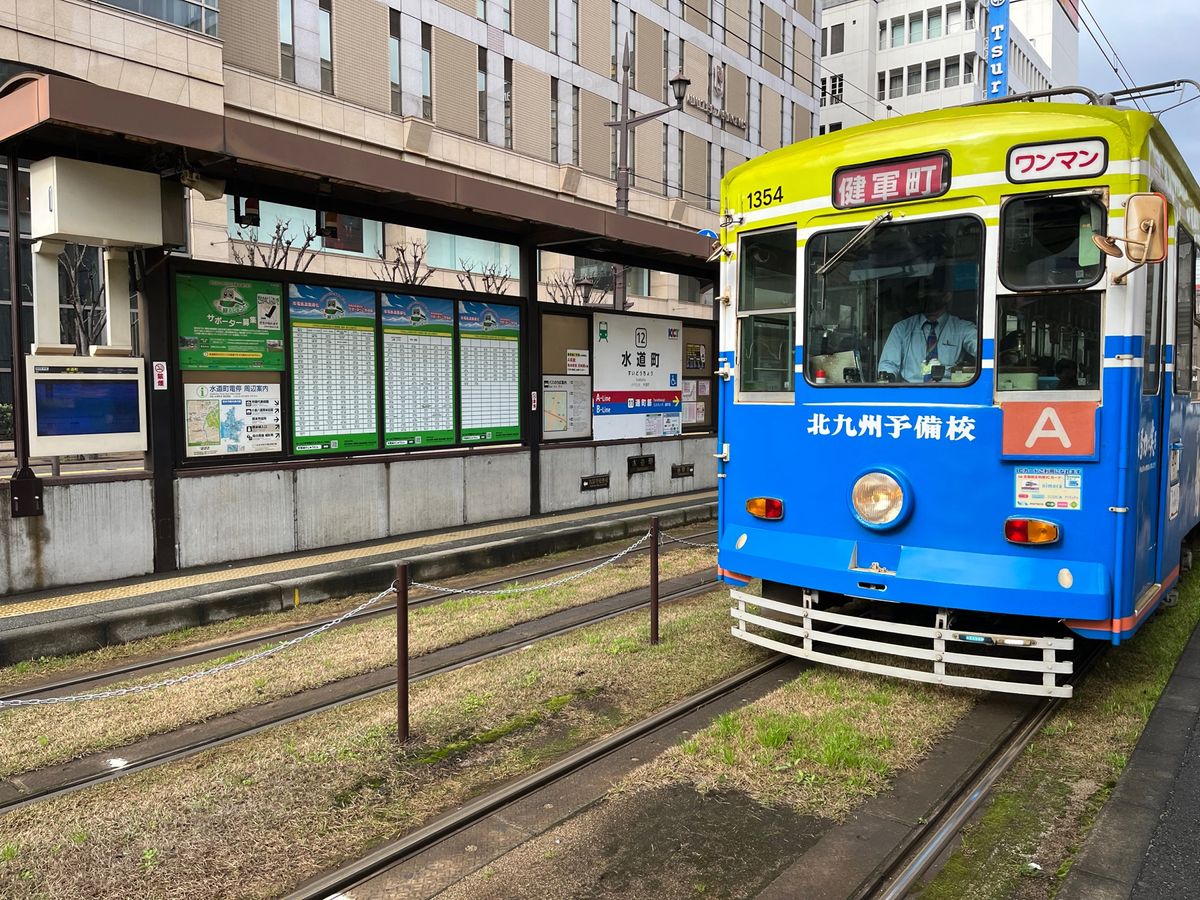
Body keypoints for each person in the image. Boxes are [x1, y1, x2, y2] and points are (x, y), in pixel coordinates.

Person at [877, 285, 977, 383]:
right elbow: (888, 365)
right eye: (921, 293)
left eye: (930, 291)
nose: (924, 295)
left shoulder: (962, 328)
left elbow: (983, 350)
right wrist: (888, 378)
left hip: (948, 393)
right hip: (911, 393)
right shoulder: (902, 328)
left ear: (947, 296)